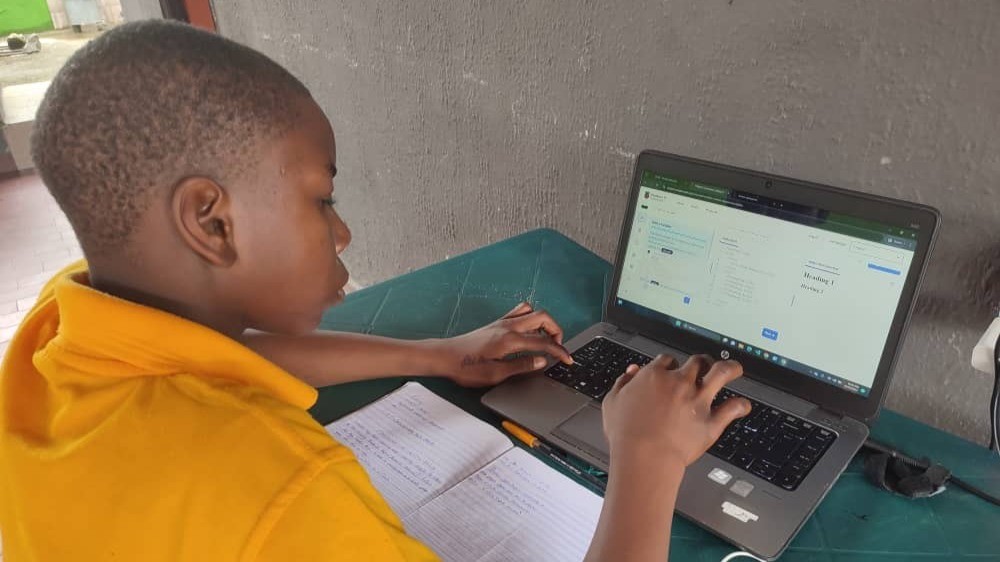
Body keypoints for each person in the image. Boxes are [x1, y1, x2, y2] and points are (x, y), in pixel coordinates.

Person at [0, 20, 750, 561]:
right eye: (321, 199)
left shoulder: (57, 332)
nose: (343, 233)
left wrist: (439, 355)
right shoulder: (287, 488)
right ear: (211, 221)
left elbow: (232, 358)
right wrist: (647, 459)